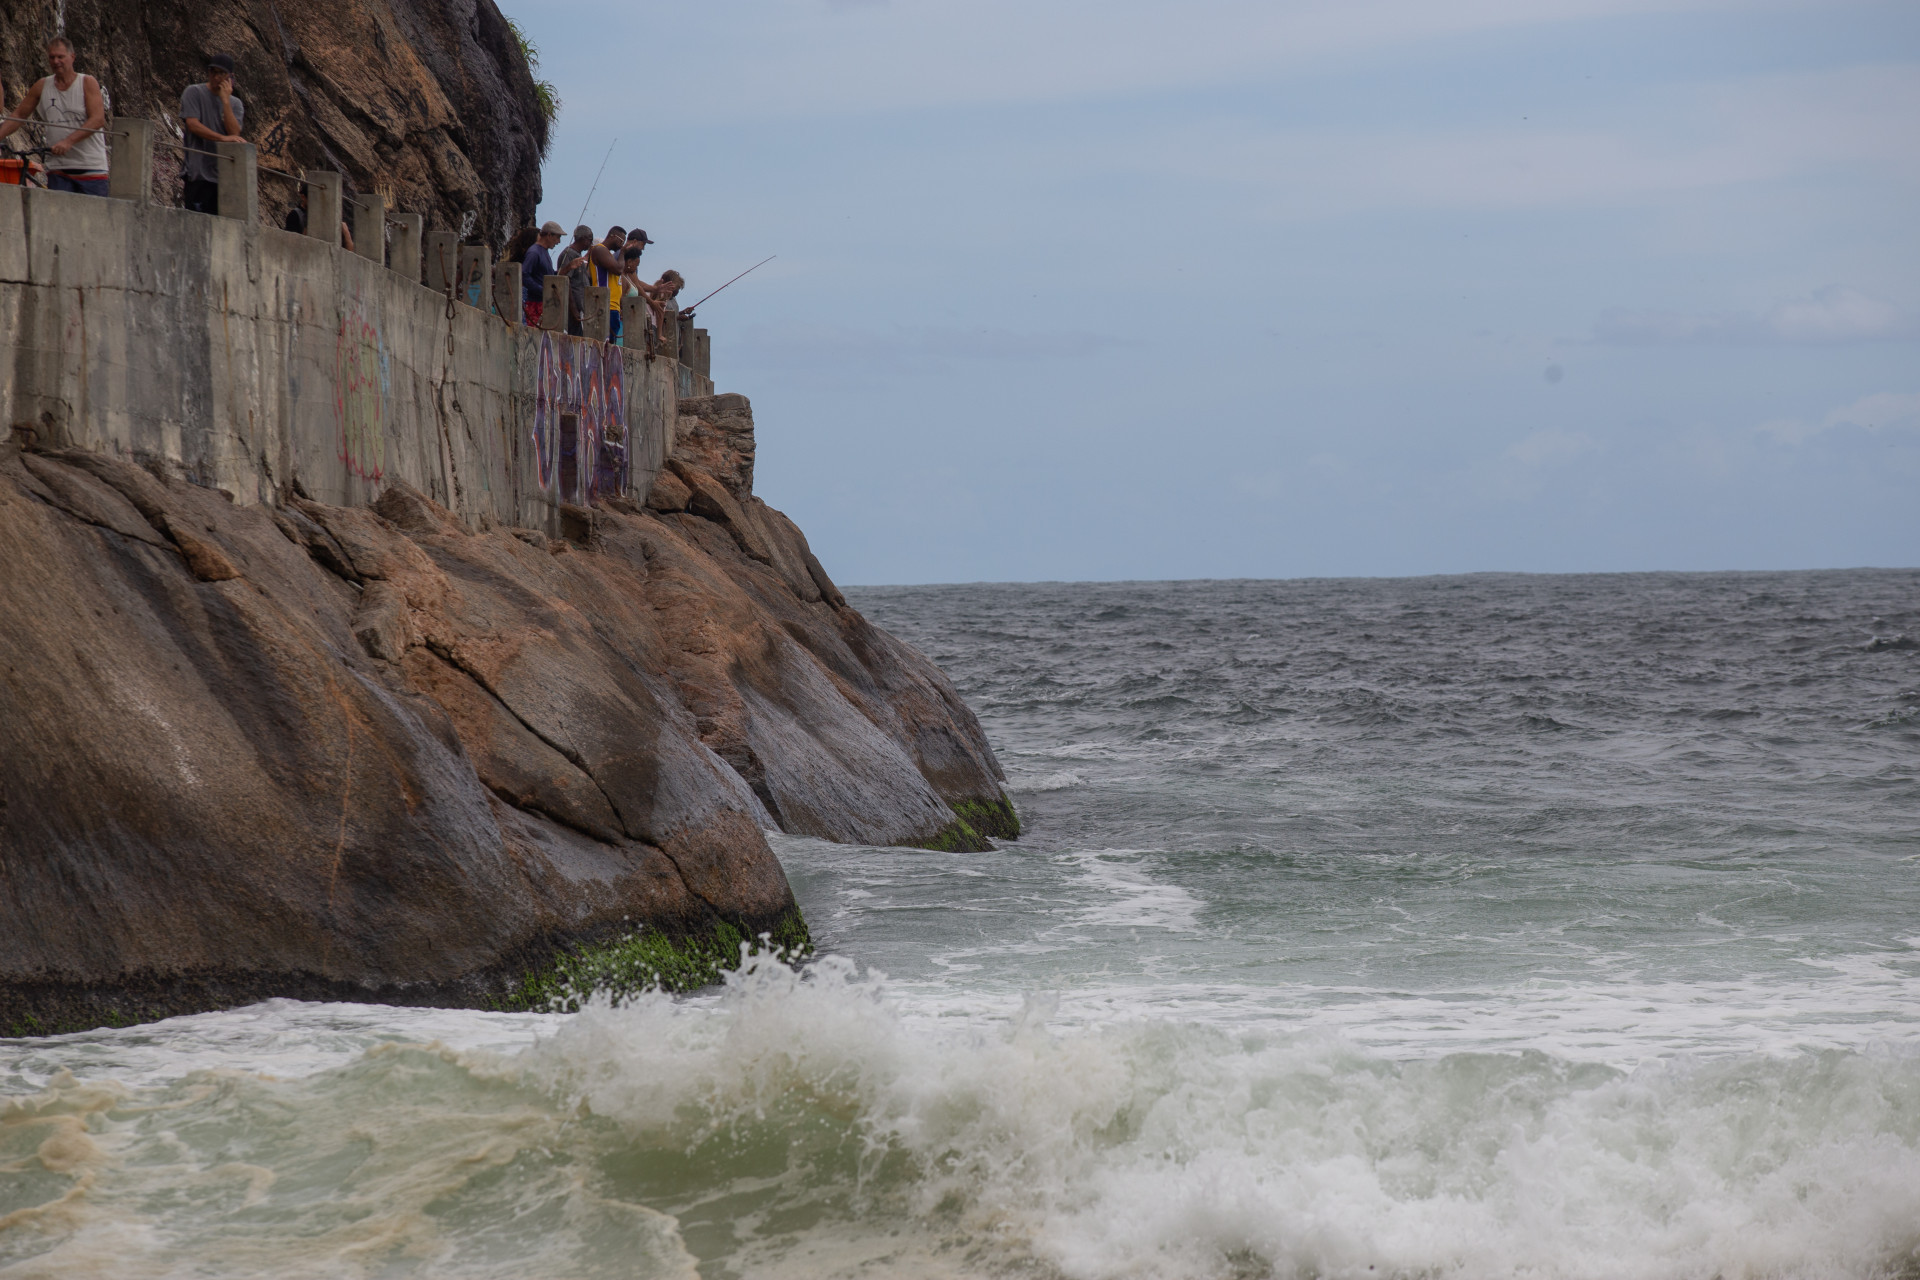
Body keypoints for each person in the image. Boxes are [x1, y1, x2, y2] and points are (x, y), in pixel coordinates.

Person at [0, 38, 109, 196]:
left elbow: (97, 120)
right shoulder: (42, 86)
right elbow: (19, 115)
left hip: (91, 170)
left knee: (95, 212)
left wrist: (68, 141)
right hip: (58, 170)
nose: (56, 61)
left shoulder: (87, 82)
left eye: (60, 57)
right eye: (52, 57)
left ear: (72, 57)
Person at [180, 54, 243, 213]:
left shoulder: (235, 104)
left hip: (223, 178)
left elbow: (234, 133)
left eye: (221, 73)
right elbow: (193, 124)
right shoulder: (194, 92)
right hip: (198, 174)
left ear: (230, 77)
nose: (216, 77)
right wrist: (222, 138)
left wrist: (225, 101)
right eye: (212, 72)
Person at [521, 220, 564, 327]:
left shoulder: (544, 251)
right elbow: (524, 274)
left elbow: (548, 274)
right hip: (535, 304)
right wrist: (542, 290)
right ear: (549, 235)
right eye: (558, 237)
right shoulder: (534, 252)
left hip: (544, 303)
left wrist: (568, 268)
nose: (559, 241)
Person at [283, 185, 352, 249]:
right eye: (314, 199)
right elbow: (291, 245)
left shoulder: (328, 217)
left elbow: (350, 250)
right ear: (303, 197)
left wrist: (346, 233)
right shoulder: (295, 215)